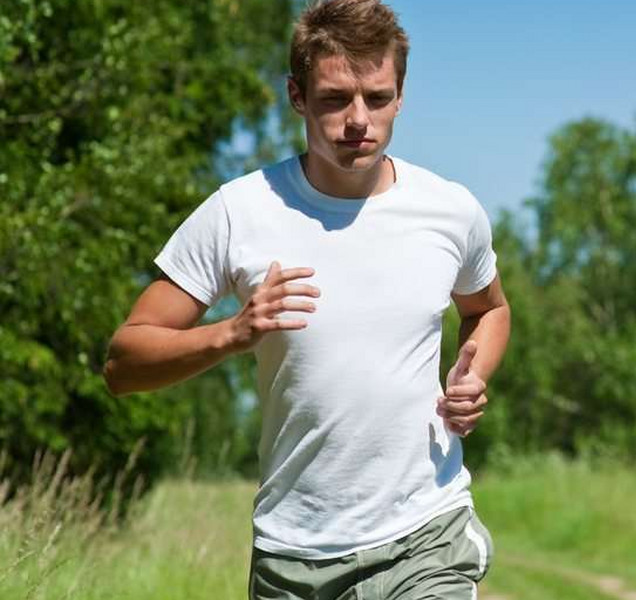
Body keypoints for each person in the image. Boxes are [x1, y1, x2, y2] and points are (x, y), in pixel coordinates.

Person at [103, 1, 510, 597]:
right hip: (295, 554)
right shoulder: (239, 212)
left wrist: (473, 376)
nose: (357, 121)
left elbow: (489, 309)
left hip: (427, 533)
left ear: (400, 95)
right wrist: (231, 332)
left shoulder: (449, 210)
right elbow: (122, 363)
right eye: (333, 98)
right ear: (296, 96)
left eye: (376, 97)